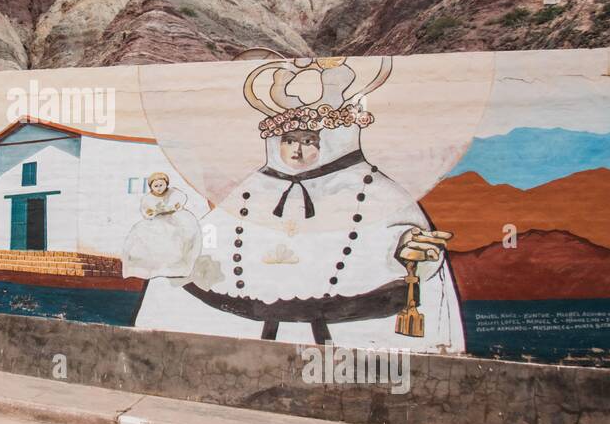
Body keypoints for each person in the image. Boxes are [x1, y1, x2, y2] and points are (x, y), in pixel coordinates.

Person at [135, 57, 464, 352]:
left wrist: (407, 248)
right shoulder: (255, 187)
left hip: (351, 326)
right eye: (290, 141)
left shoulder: (374, 189)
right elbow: (214, 238)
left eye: (309, 141)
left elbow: (406, 241)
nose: (296, 151)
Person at [121, 172, 201, 279]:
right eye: (156, 186)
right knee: (144, 233)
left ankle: (179, 266)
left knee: (183, 230)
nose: (159, 188)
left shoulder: (173, 192)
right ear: (151, 187)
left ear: (166, 184)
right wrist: (151, 212)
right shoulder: (148, 198)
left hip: (175, 217)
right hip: (158, 220)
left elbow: (180, 199)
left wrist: (176, 206)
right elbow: (146, 210)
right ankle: (147, 267)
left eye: (161, 185)